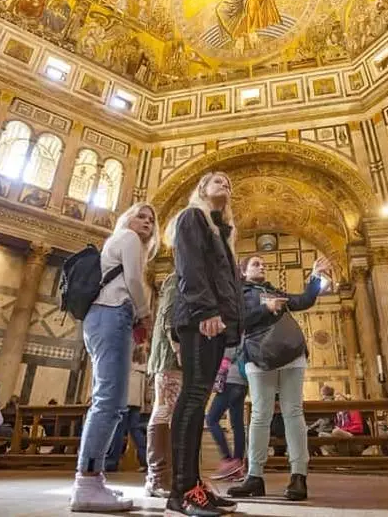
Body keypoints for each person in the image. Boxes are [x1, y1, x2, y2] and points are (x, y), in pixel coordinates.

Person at [70, 202, 158, 513]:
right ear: (127, 218)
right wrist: (145, 315)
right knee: (109, 401)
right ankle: (87, 483)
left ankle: (94, 480)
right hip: (111, 315)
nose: (146, 222)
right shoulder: (128, 238)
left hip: (106, 317)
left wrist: (133, 319)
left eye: (151, 219)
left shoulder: (119, 241)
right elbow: (133, 281)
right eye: (141, 215)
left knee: (112, 401)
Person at [167, 172, 242, 517]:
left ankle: (193, 484)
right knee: (193, 396)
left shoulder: (221, 232)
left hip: (215, 321)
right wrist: (206, 310)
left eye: (228, 184)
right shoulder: (191, 216)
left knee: (198, 399)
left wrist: (232, 325)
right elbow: (190, 265)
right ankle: (182, 491)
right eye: (217, 182)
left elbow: (228, 283)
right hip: (201, 317)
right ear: (201, 190)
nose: (224, 185)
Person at [228, 254, 331, 501]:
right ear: (243, 272)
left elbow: (303, 301)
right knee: (260, 415)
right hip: (259, 355)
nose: (262, 266)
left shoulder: (273, 290)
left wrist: (315, 277)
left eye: (263, 264)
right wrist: (266, 308)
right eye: (255, 264)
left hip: (291, 353)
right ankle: (254, 476)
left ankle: (299, 475)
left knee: (293, 413)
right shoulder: (237, 294)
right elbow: (237, 321)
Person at [145, 271, 181, 498]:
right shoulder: (176, 278)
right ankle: (156, 477)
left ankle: (171, 474)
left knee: (174, 414)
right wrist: (177, 346)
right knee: (164, 409)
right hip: (170, 355)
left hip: (181, 356)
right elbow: (168, 313)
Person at [206, 344, 247, 481]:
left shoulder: (231, 330)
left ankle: (228, 460)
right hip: (242, 381)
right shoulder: (244, 330)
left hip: (230, 380)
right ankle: (237, 466)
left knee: (211, 419)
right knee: (237, 424)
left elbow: (228, 354)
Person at [104, 359, 148, 472]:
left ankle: (112, 462)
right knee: (135, 430)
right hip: (136, 398)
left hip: (125, 397)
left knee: (118, 430)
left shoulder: (126, 358)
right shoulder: (143, 359)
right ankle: (146, 461)